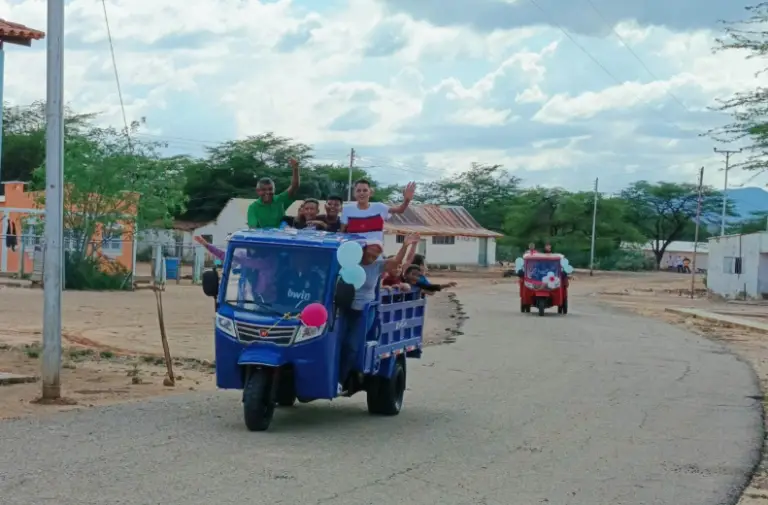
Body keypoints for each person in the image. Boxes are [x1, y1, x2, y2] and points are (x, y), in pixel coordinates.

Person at [338, 234, 419, 393]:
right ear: (362, 250)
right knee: (335, 343)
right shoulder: (348, 263)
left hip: (364, 312)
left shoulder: (377, 266)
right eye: (370, 253)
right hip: (343, 308)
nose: (372, 257)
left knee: (352, 346)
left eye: (376, 254)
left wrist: (405, 246)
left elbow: (396, 262)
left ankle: (341, 380)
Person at [340, 179, 416, 241]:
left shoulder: (380, 207)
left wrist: (407, 200)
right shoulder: (347, 209)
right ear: (354, 193)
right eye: (358, 191)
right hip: (354, 253)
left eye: (365, 190)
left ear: (371, 192)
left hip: (375, 255)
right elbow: (342, 233)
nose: (362, 193)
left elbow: (400, 210)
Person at [247, 158, 300, 229]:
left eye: (270, 189)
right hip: (262, 238)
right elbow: (252, 228)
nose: (267, 192)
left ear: (274, 190)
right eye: (263, 189)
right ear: (258, 191)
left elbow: (294, 186)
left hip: (281, 237)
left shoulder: (280, 199)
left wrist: (295, 168)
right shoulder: (253, 207)